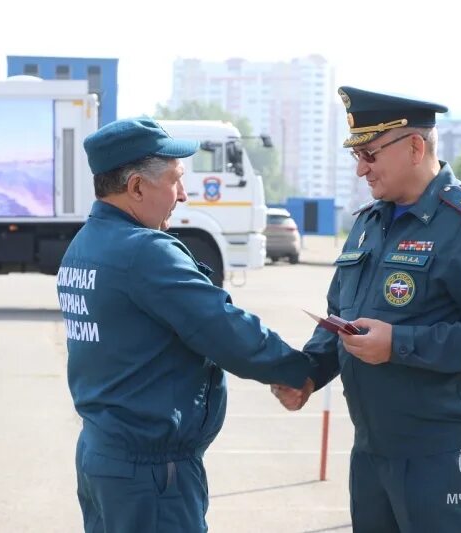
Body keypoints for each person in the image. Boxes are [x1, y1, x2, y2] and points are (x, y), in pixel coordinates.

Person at [273, 86, 461, 532]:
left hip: (441, 452)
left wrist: (399, 344)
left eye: (370, 154)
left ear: (414, 147)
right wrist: (310, 374)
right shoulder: (368, 223)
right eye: (357, 155)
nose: (360, 169)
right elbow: (342, 311)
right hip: (372, 449)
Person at [58, 116, 317, 533]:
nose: (182, 194)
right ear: (137, 187)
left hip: (105, 456)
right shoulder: (143, 251)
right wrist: (298, 369)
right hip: (151, 474)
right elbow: (219, 326)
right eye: (176, 180)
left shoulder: (85, 245)